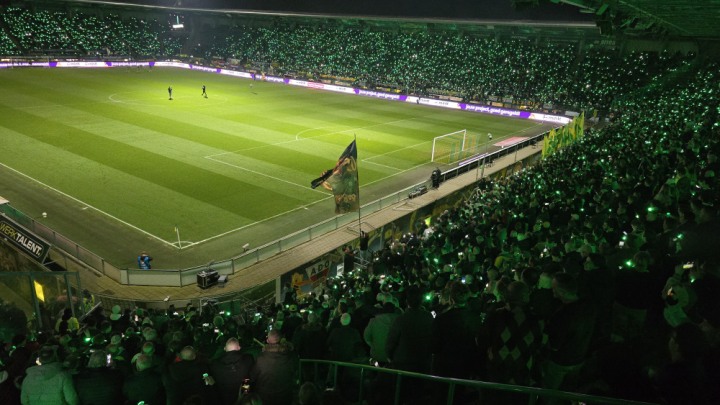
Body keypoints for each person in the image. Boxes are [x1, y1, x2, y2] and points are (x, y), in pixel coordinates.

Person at [250, 329, 299, 405]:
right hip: (285, 398)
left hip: (265, 399)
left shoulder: (260, 359)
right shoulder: (290, 357)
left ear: (268, 340)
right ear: (281, 340)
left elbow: (251, 378)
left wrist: (244, 393)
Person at [210, 338, 254, 405]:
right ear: (239, 347)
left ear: (225, 348)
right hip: (244, 398)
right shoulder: (248, 359)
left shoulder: (215, 364)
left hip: (224, 399)